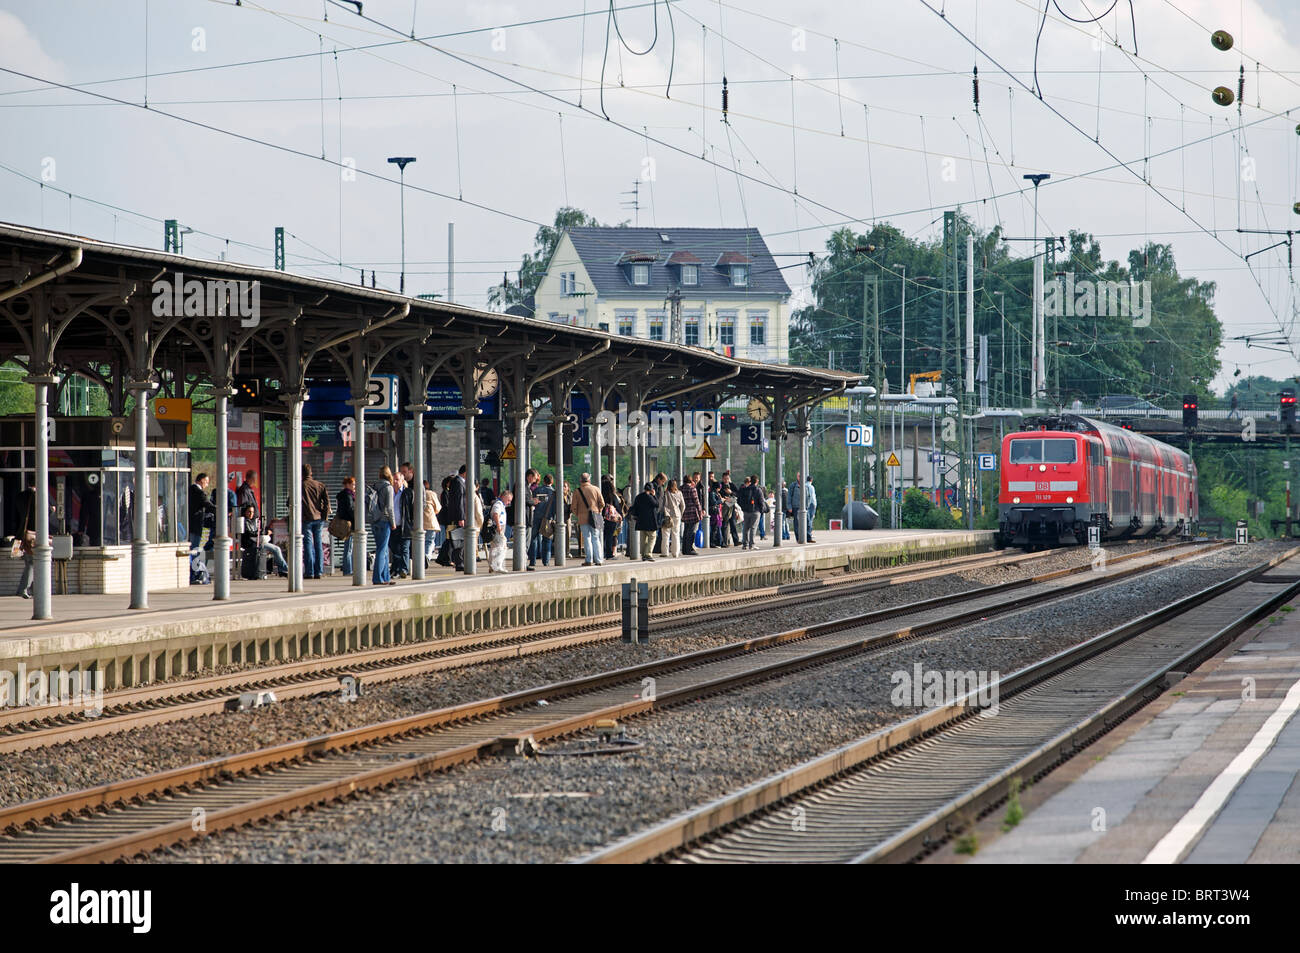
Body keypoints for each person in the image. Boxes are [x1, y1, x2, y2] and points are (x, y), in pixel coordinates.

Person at [238, 504, 288, 577]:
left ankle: (283, 569)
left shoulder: (251, 521)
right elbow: (251, 533)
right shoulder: (245, 522)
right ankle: (283, 569)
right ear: (245, 512)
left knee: (276, 549)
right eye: (249, 512)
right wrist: (265, 532)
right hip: (252, 543)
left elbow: (255, 532)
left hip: (256, 542)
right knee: (276, 549)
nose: (251, 514)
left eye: (252, 512)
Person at [300, 463, 330, 579]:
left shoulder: (300, 486)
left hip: (306, 518)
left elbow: (290, 501)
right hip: (319, 519)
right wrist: (324, 515)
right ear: (311, 473)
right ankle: (319, 571)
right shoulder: (320, 485)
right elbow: (327, 502)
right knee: (318, 544)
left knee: (308, 544)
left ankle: (309, 571)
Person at [370, 465, 396, 585]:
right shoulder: (388, 488)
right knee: (382, 549)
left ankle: (385, 577)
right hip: (384, 521)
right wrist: (393, 523)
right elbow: (390, 508)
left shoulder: (375, 486)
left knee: (384, 549)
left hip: (374, 521)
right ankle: (377, 578)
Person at [571, 472, 604, 566]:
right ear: (589, 480)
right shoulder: (596, 489)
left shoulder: (577, 491)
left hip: (582, 518)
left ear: (580, 480)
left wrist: (578, 514)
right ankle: (598, 559)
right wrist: (597, 511)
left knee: (587, 538)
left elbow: (573, 507)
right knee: (596, 538)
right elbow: (602, 503)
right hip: (595, 516)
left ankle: (589, 560)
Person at [529, 474, 555, 569]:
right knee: (547, 539)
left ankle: (532, 560)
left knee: (534, 538)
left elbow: (532, 502)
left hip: (536, 516)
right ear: (551, 482)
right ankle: (546, 561)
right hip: (548, 517)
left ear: (544, 481)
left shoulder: (537, 490)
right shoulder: (553, 492)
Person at [631, 482, 660, 562]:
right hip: (650, 521)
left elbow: (635, 508)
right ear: (651, 489)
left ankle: (643, 555)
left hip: (640, 521)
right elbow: (657, 504)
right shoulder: (650, 497)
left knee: (643, 538)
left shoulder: (638, 497)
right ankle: (648, 554)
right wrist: (654, 496)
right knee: (652, 537)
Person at [393, 471, 413, 578]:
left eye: (397, 480)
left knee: (405, 548)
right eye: (394, 480)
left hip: (404, 525)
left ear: (402, 481)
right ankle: (396, 569)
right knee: (395, 549)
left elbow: (411, 509)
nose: (395, 482)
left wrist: (411, 522)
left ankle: (404, 570)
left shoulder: (407, 493)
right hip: (393, 525)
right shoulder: (390, 492)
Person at [188, 473, 214, 555]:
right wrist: (222, 511)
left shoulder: (189, 489)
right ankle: (193, 566)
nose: (207, 484)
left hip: (188, 524)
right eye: (206, 482)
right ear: (202, 480)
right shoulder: (199, 493)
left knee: (190, 548)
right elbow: (208, 505)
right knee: (194, 549)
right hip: (196, 525)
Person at [600, 474, 624, 560]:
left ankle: (601, 552)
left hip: (601, 517)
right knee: (609, 536)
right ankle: (609, 553)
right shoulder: (612, 496)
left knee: (602, 535)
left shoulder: (600, 495)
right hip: (611, 518)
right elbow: (617, 506)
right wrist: (620, 516)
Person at [488, 489, 511, 573]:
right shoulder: (498, 504)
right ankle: (498, 566)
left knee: (495, 547)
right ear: (504, 497)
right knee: (501, 547)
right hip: (498, 528)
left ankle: (492, 566)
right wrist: (498, 527)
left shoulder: (499, 504)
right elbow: (496, 514)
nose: (509, 502)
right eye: (508, 500)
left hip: (498, 527)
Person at [336, 476, 356, 576]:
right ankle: (348, 570)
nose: (354, 486)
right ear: (347, 485)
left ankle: (348, 568)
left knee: (348, 547)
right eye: (353, 484)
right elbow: (350, 509)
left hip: (344, 523)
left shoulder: (342, 495)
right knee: (349, 548)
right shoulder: (348, 496)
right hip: (349, 524)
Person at [660, 478, 684, 558]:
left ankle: (665, 552)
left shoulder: (666, 493)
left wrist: (666, 513)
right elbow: (683, 505)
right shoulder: (679, 493)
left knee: (666, 534)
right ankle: (675, 553)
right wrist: (680, 513)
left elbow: (665, 505)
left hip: (668, 516)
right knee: (676, 534)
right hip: (677, 515)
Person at [738, 474, 763, 550]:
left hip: (746, 511)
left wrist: (743, 508)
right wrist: (761, 510)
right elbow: (761, 501)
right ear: (757, 481)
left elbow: (740, 499)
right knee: (753, 528)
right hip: (755, 511)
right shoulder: (758, 490)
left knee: (745, 528)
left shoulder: (745, 489)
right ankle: (752, 544)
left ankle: (744, 544)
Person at [681, 472, 702, 555]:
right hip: (693, 513)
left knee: (686, 531)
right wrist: (700, 512)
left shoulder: (680, 489)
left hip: (685, 512)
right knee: (692, 531)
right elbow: (696, 502)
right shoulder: (692, 489)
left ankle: (684, 549)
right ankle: (690, 549)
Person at [422, 478, 441, 567]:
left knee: (420, 541)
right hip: (430, 520)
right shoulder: (431, 494)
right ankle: (427, 556)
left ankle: (421, 557)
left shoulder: (415, 493)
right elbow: (438, 507)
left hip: (418, 522)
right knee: (429, 541)